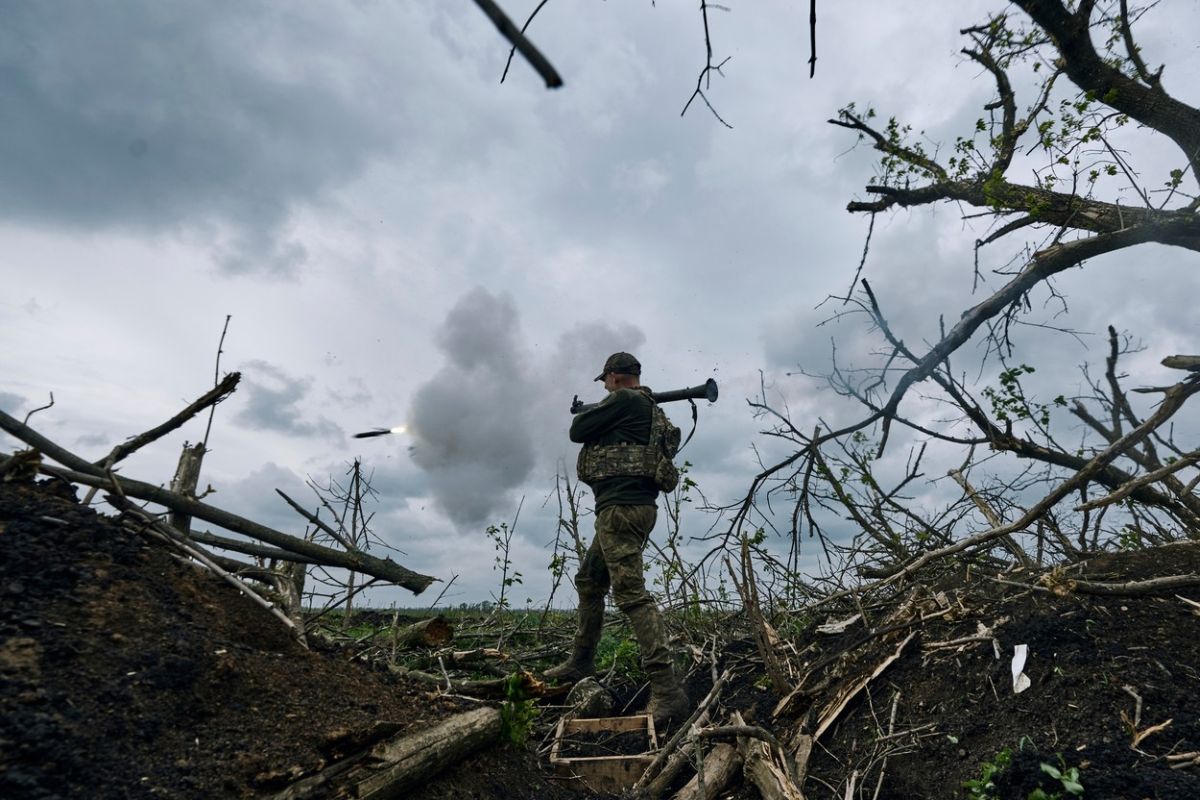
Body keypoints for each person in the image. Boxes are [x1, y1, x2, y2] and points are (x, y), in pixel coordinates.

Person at [544, 352, 689, 727]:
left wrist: (599, 408)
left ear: (613, 377)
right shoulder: (649, 408)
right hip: (630, 509)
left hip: (621, 510)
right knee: (591, 581)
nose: (605, 387)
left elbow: (577, 431)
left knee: (630, 595)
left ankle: (667, 690)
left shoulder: (624, 400)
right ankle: (581, 662)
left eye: (605, 381)